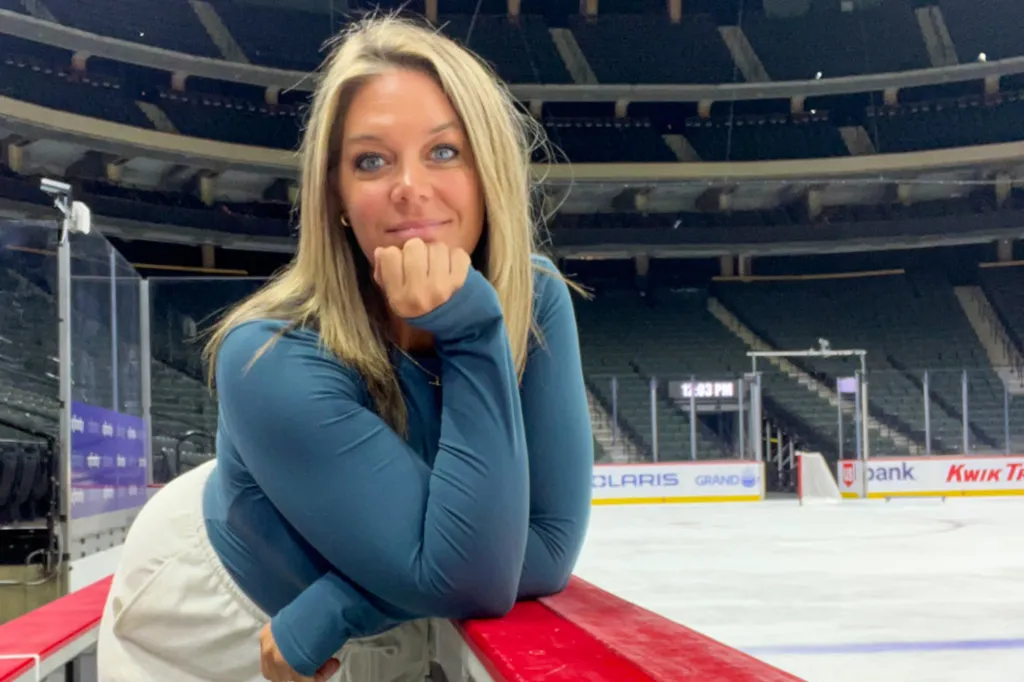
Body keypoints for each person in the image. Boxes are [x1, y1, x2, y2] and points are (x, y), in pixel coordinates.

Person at [95, 12, 594, 682]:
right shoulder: (267, 354)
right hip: (223, 622)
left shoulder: (536, 299)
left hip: (348, 616)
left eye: (444, 152)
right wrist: (474, 333)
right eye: (371, 160)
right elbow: (470, 577)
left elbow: (544, 547)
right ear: (336, 195)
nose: (410, 187)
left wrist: (341, 605)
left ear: (489, 173)